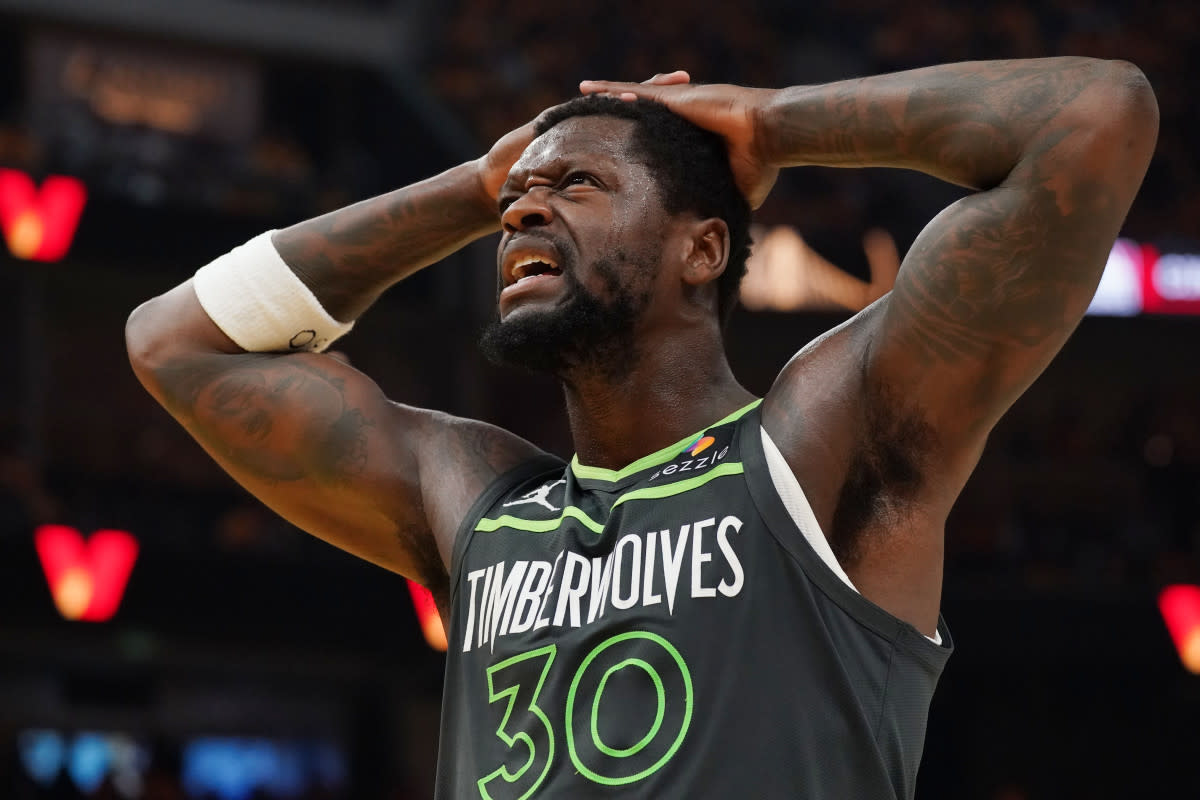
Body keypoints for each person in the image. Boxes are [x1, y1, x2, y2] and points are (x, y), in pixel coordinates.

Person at [125, 59, 1157, 798]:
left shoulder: (817, 445)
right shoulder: (478, 499)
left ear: (703, 249)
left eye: (577, 185)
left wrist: (768, 121)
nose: (527, 212)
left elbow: (1097, 114)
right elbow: (173, 341)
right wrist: (478, 184)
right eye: (518, 204)